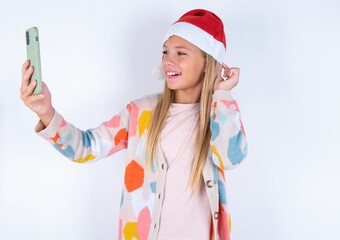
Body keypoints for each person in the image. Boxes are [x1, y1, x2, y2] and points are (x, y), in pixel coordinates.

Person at [20, 9, 248, 240]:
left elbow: (230, 158)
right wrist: (46, 112)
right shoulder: (141, 112)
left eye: (181, 53)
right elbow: (85, 148)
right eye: (165, 52)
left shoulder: (220, 114)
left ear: (208, 63)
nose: (169, 60)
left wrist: (222, 95)